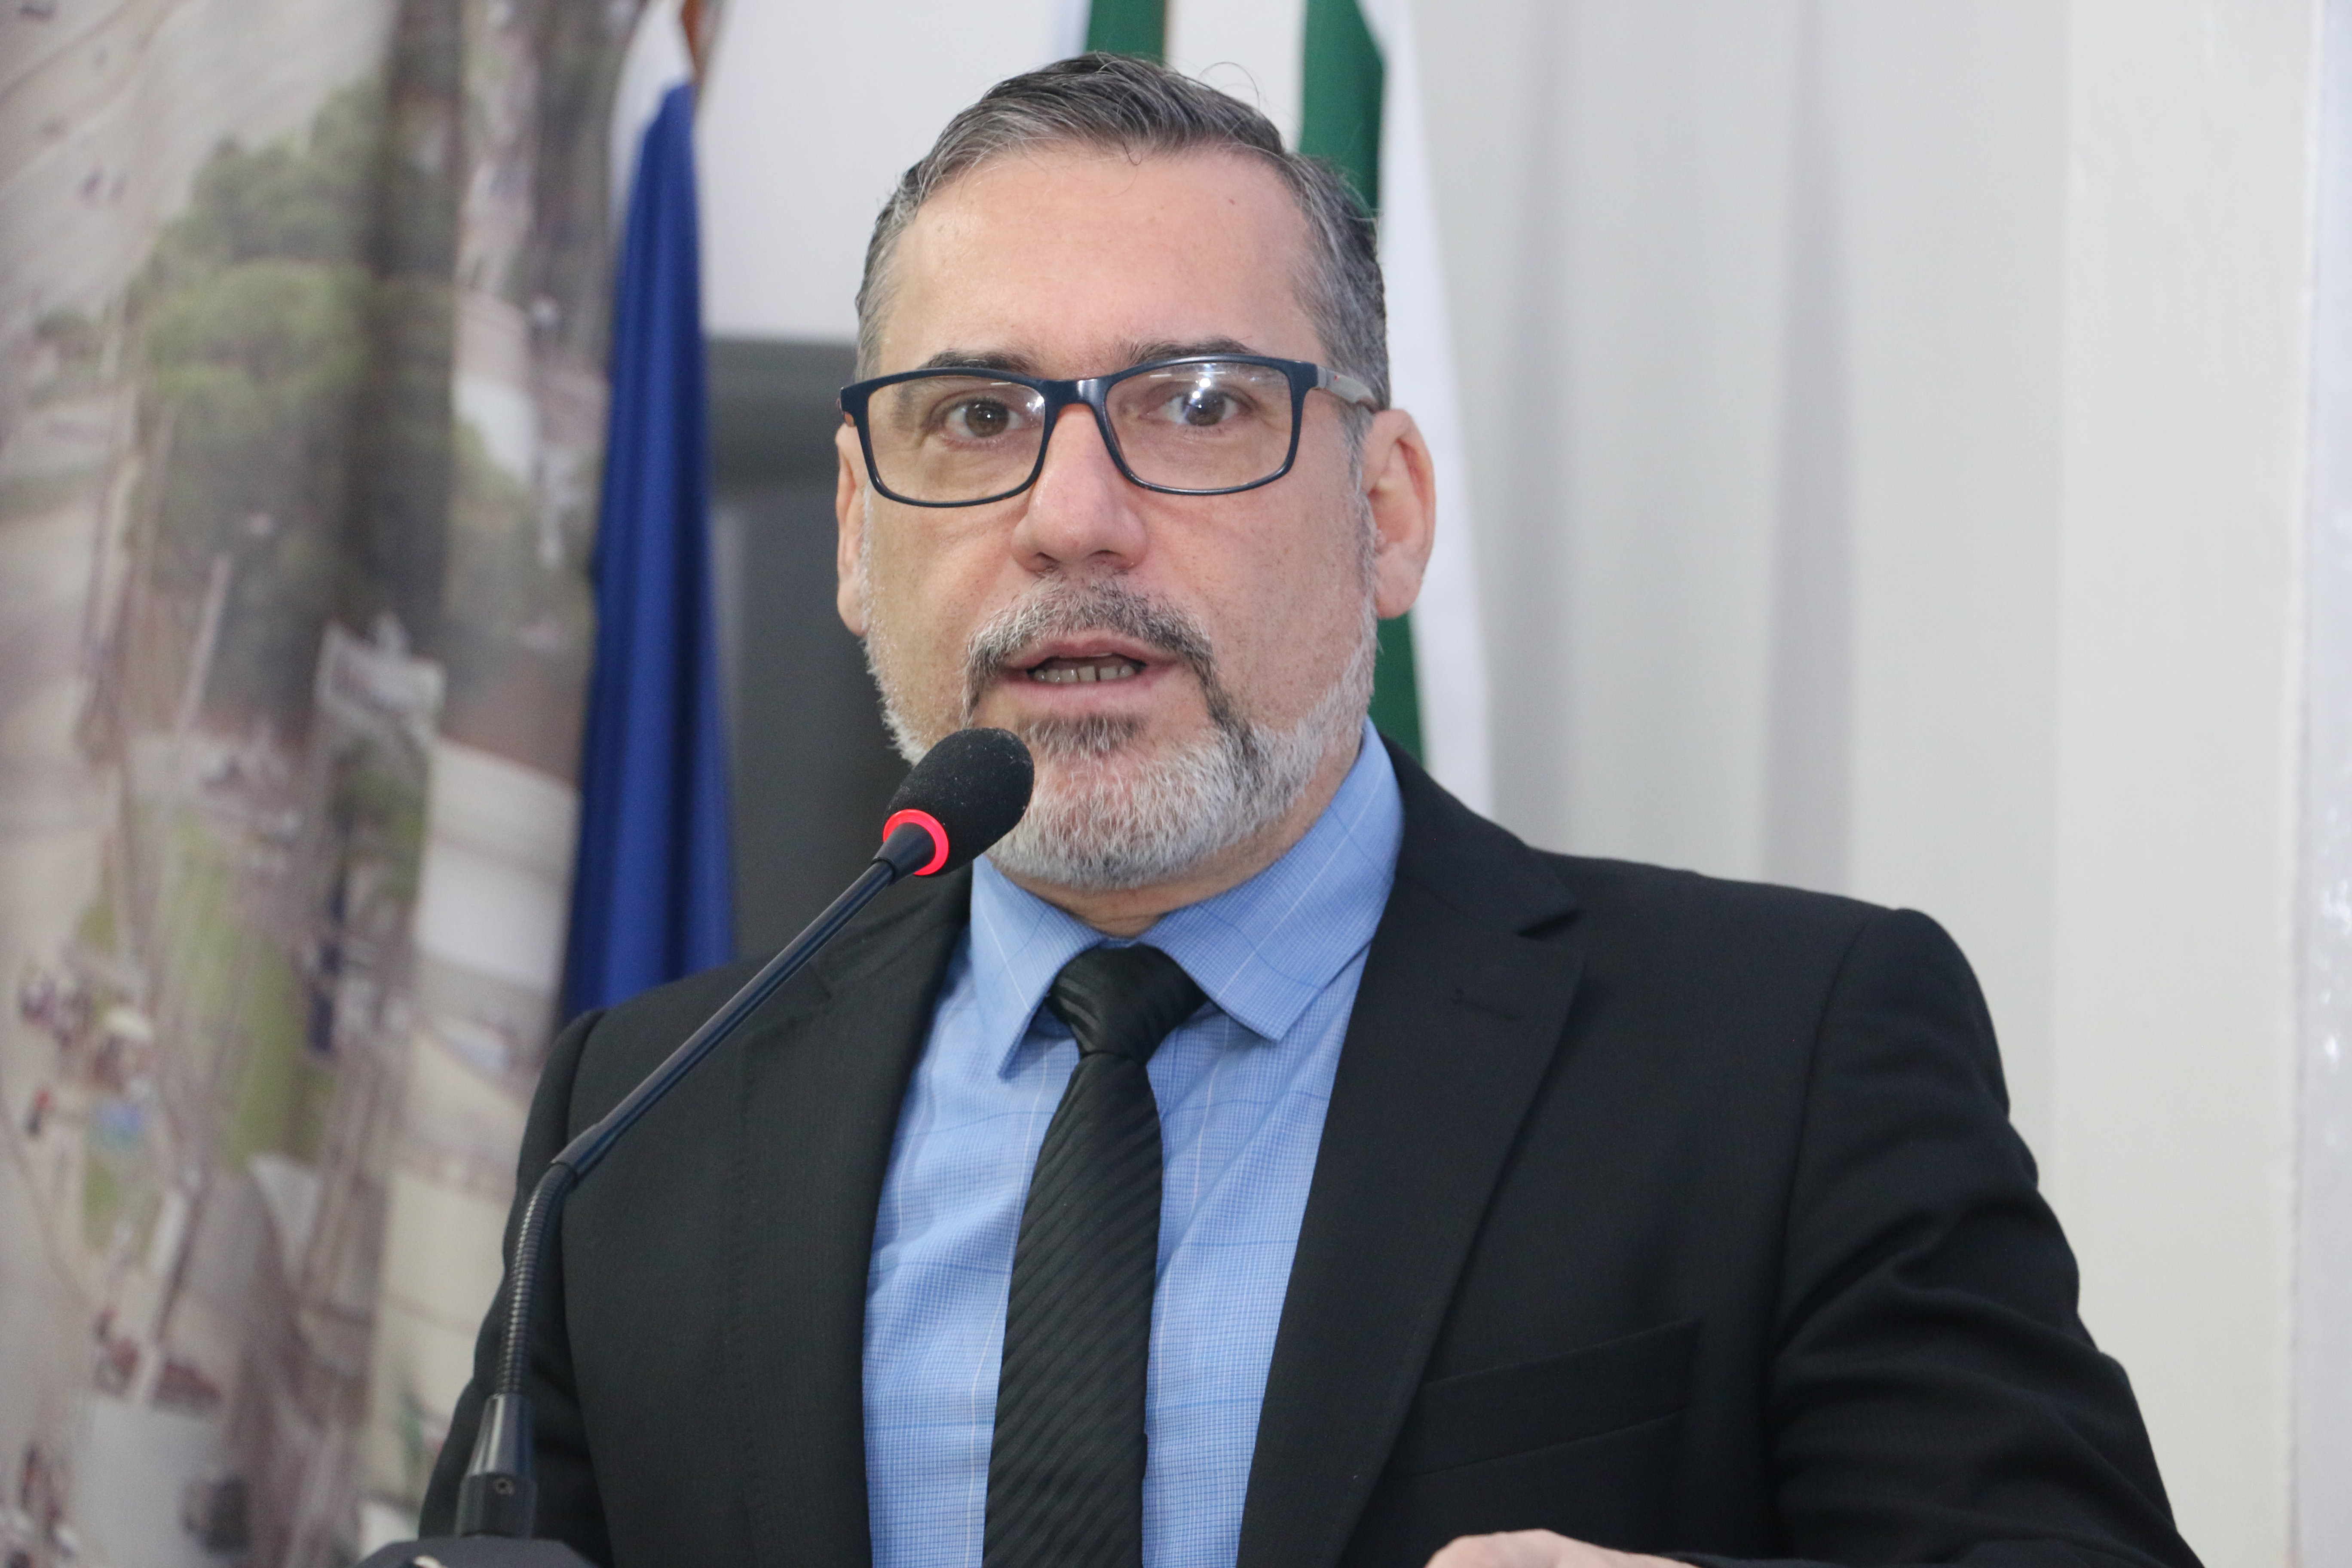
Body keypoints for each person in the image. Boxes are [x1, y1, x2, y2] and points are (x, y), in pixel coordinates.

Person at [426, 53, 2201, 1568]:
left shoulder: (1787, 1056)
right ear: (851, 533)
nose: (1071, 517)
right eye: (976, 414)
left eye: (1198, 407)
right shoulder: (639, 1121)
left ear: (1389, 512)